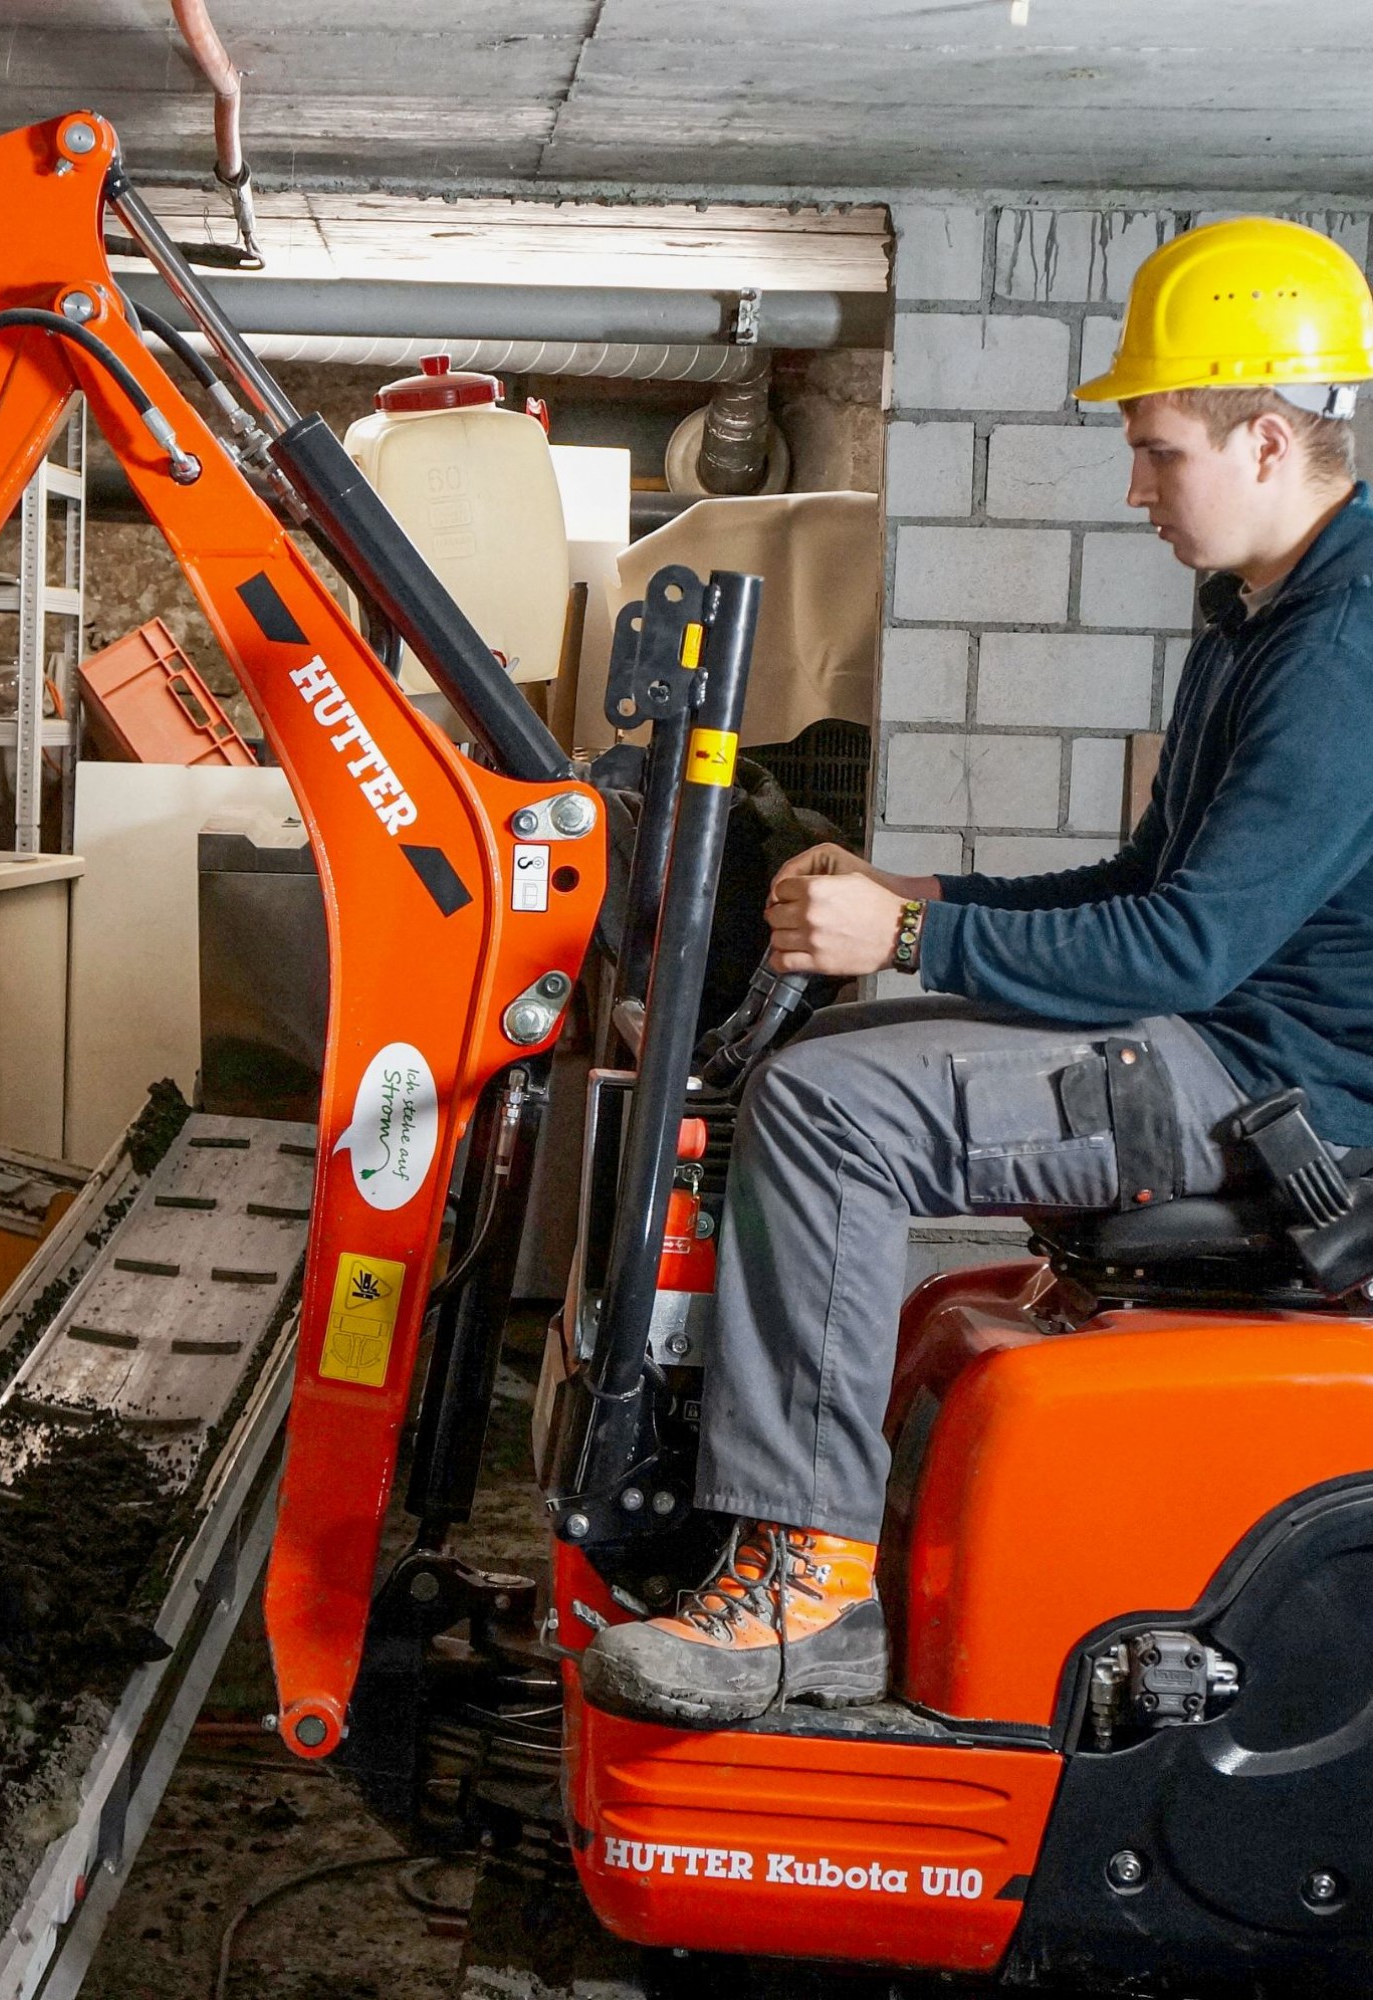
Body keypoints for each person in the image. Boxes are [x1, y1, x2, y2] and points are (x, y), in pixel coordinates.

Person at [581, 216, 1373, 1727]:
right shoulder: (1258, 616)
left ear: (1268, 439)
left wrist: (917, 939)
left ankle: (809, 1596)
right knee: (820, 1064)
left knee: (829, 1109)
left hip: (1287, 1100)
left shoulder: (1346, 647)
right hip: (1222, 1033)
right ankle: (788, 1507)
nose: (1135, 488)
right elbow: (1150, 887)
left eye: (1159, 450)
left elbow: (1187, 946)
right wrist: (927, 897)